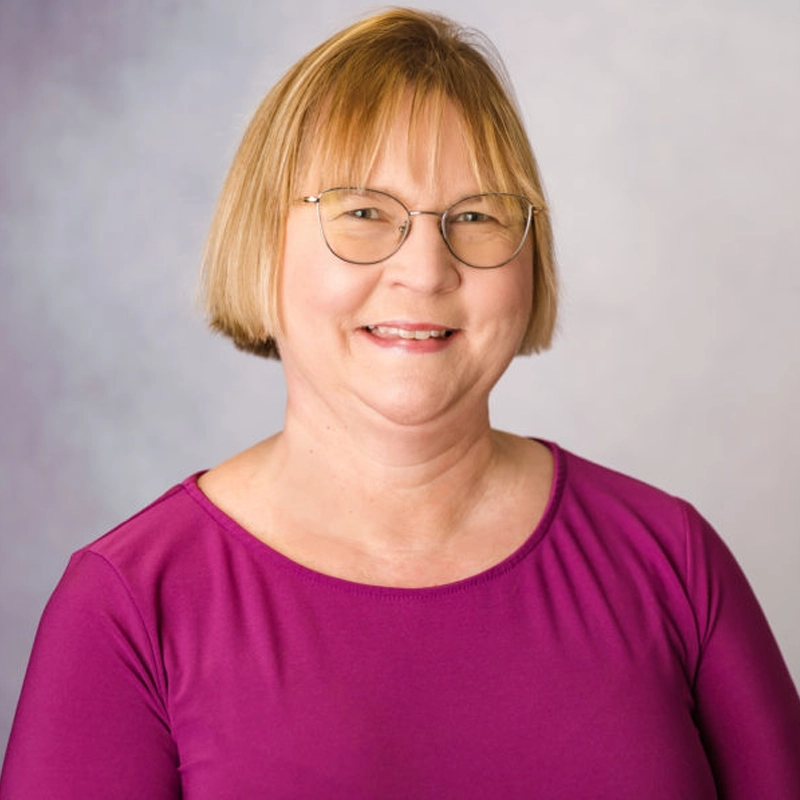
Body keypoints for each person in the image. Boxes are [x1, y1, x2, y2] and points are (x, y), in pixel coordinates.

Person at [1, 8, 799, 799]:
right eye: (362, 213)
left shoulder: (672, 562)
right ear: (261, 240)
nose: (425, 270)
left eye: (477, 216)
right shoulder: (130, 606)